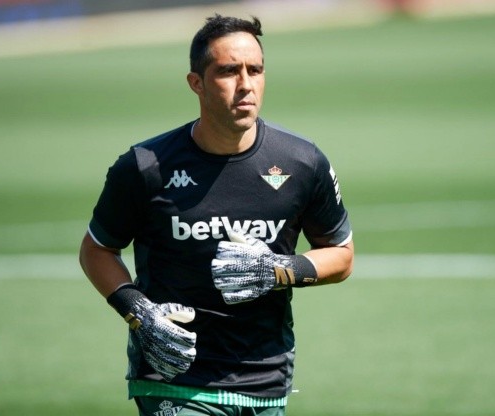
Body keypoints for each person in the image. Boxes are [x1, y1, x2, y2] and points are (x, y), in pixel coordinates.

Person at [79, 14, 354, 416]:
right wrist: (137, 312)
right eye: (228, 71)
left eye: (255, 70)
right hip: (173, 378)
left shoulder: (302, 162)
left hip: (265, 379)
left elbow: (342, 255)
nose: (246, 84)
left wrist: (278, 270)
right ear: (197, 83)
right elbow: (97, 249)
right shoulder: (145, 166)